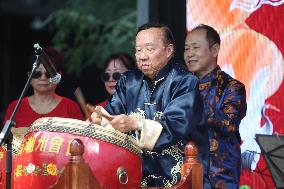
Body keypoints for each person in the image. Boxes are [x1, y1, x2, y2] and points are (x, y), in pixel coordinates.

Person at [90, 23, 210, 188]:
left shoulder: (184, 82)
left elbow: (175, 125)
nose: (142, 56)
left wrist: (134, 123)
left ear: (169, 51)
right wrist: (101, 118)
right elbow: (112, 113)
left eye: (149, 49)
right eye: (138, 50)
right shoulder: (129, 81)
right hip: (139, 178)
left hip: (180, 179)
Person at [184, 24, 247, 189]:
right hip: (184, 173)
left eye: (195, 47)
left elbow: (229, 125)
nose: (189, 54)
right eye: (186, 49)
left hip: (219, 177)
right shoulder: (182, 86)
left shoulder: (232, 87)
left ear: (214, 50)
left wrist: (192, 103)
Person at [3, 47, 83, 128]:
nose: (43, 78)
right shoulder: (15, 107)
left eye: (49, 74)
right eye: (37, 74)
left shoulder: (71, 108)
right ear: (29, 76)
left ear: (59, 75)